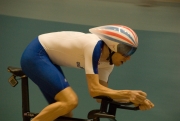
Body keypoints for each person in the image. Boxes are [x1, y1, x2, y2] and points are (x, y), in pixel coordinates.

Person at [20, 24, 154, 121]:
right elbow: (94, 90)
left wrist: (134, 100)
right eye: (127, 50)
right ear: (113, 45)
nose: (129, 57)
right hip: (36, 54)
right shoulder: (94, 45)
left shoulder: (107, 63)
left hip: (47, 58)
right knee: (70, 101)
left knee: (65, 114)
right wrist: (128, 93)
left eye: (132, 52)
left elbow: (101, 95)